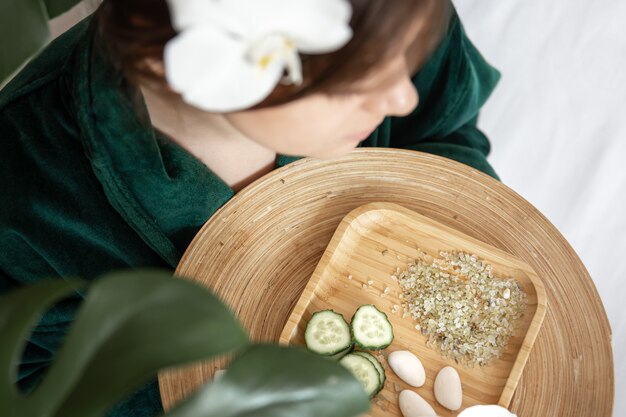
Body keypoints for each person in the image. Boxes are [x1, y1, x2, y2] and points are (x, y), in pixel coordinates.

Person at [0, 0, 500, 415]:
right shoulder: (29, 198)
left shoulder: (385, 15)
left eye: (411, 56)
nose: (402, 97)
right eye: (352, 83)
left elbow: (441, 124)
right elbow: (37, 386)